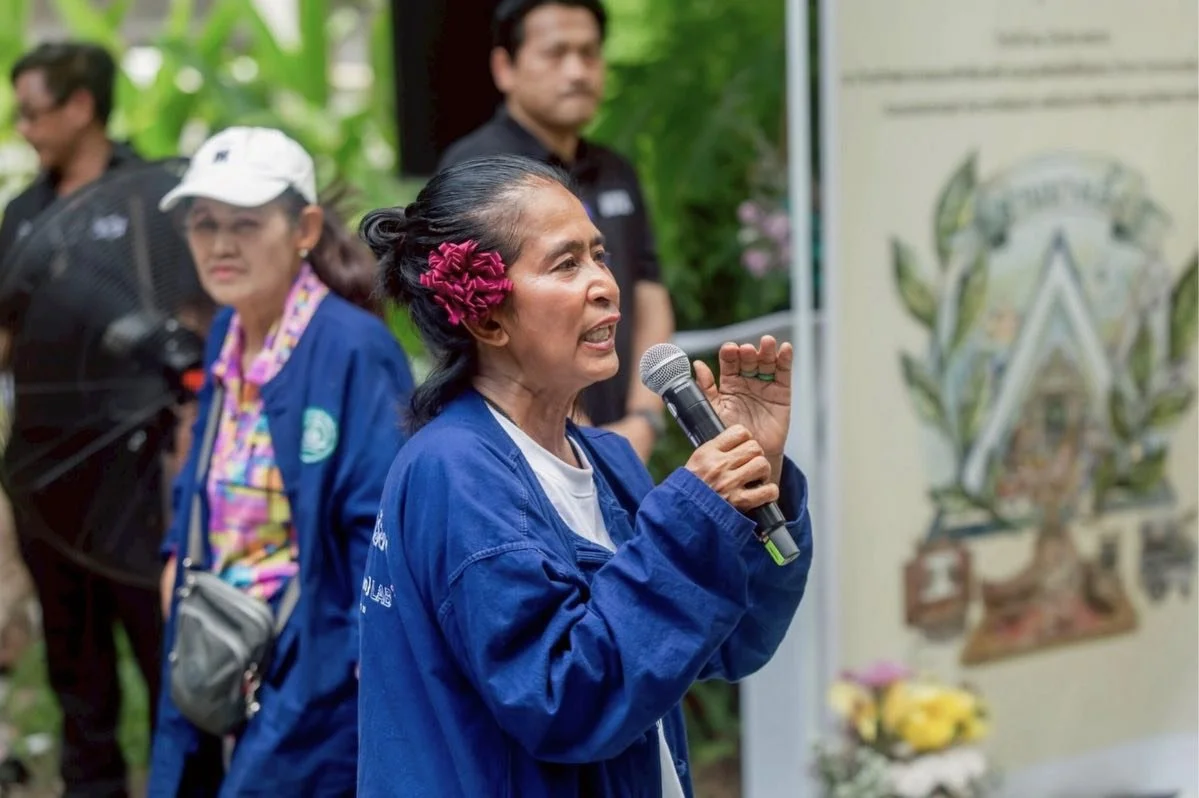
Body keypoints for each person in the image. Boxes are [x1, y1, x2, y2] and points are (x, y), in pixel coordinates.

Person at [356, 154, 814, 796]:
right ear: (488, 317)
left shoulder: (608, 459)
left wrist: (751, 485)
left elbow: (723, 644)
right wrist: (691, 516)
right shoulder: (453, 471)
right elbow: (564, 699)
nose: (605, 283)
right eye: (565, 263)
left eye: (599, 255)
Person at [147, 126, 415, 797]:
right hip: (221, 640)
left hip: (315, 658)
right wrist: (177, 553)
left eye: (245, 222)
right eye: (203, 223)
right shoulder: (226, 332)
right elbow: (203, 475)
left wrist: (361, 672)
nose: (220, 244)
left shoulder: (352, 347)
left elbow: (377, 532)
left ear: (304, 228)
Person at [0, 41, 162, 798]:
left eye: (35, 112)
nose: (25, 129)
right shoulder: (21, 214)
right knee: (77, 677)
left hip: (141, 484)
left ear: (81, 106)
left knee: (169, 670)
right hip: (47, 483)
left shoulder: (154, 197)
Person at [437, 0, 675, 462]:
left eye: (589, 53)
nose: (577, 70)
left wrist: (644, 420)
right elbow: (466, 323)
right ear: (505, 67)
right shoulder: (479, 172)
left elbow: (649, 292)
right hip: (523, 450)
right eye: (556, 52)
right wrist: (576, 438)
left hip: (625, 439)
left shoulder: (615, 170)